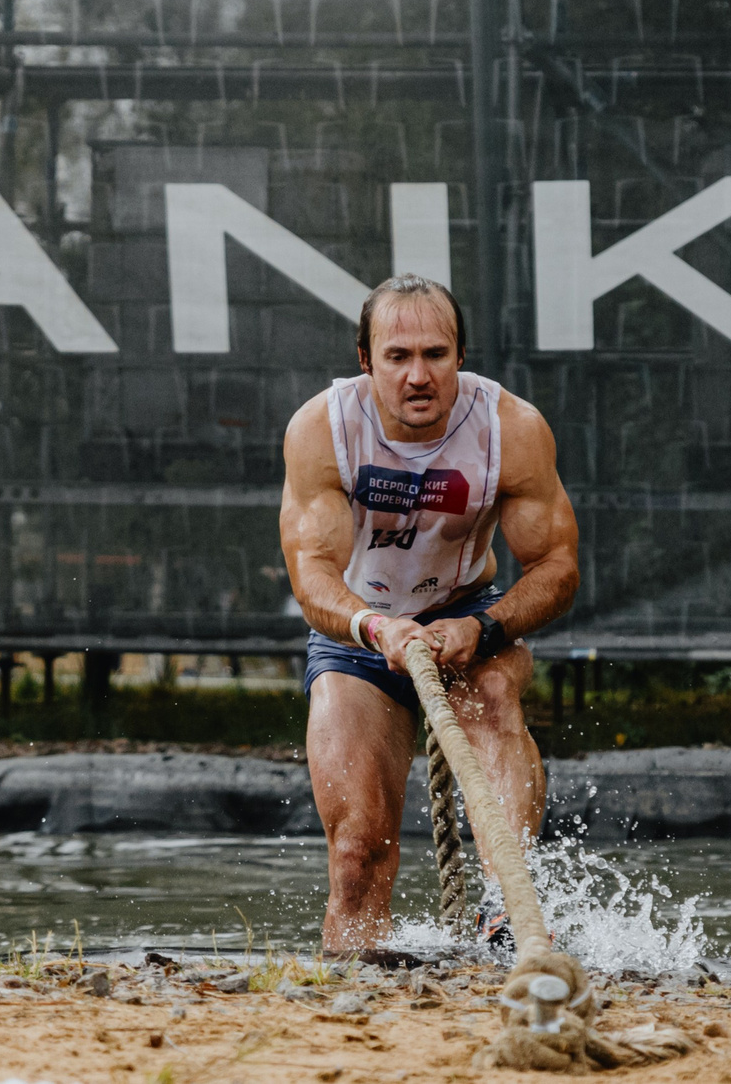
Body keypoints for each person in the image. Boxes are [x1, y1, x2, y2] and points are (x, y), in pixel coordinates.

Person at [279, 274, 581, 954]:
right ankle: (358, 1016)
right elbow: (313, 576)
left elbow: (558, 567)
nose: (419, 375)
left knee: (496, 696)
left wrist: (486, 627)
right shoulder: (322, 429)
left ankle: (509, 920)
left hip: (468, 614)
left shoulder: (512, 428)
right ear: (366, 360)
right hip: (361, 630)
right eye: (398, 355)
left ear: (461, 356)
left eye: (436, 354)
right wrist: (377, 627)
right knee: (358, 854)